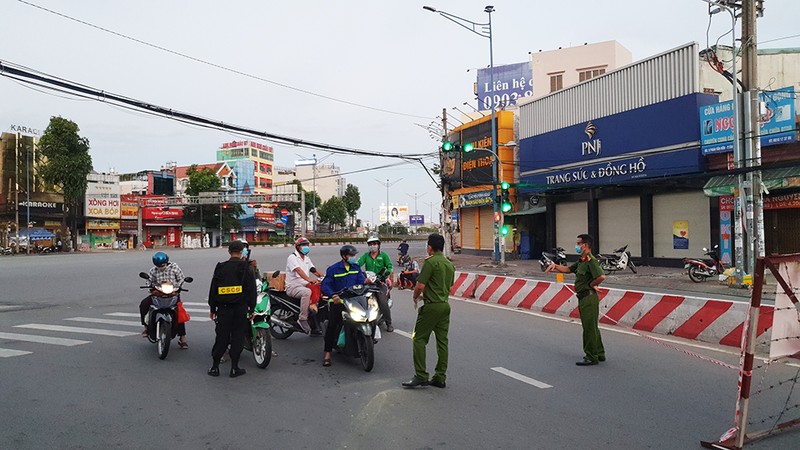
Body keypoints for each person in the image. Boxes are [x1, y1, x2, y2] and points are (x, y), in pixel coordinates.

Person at [545, 233, 606, 366]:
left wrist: (592, 284)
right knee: (592, 327)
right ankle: (599, 353)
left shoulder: (591, 260)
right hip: (584, 298)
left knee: (589, 328)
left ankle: (591, 356)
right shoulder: (582, 261)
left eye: (578, 243)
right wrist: (555, 266)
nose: (577, 246)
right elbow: (567, 269)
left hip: (588, 297)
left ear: (585, 245)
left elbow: (601, 276)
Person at [403, 234, 454, 389]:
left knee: (418, 339)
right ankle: (440, 377)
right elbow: (450, 285)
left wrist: (415, 297)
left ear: (430, 247)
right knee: (442, 342)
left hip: (431, 306)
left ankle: (421, 375)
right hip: (445, 305)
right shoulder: (449, 264)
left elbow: (420, 286)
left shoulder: (430, 263)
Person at [207, 240, 257, 377]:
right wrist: (252, 309)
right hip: (240, 309)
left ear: (229, 252)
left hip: (223, 309)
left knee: (221, 337)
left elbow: (213, 290)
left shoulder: (221, 267)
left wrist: (212, 308)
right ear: (241, 252)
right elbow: (252, 291)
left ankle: (214, 367)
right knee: (237, 338)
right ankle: (234, 368)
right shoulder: (246, 268)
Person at [320, 244, 366, 367]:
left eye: (354, 255)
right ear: (344, 256)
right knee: (332, 325)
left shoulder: (356, 268)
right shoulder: (334, 269)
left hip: (354, 301)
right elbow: (325, 285)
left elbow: (361, 283)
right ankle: (327, 354)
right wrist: (333, 295)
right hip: (338, 302)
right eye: (351, 255)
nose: (353, 258)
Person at [139, 251, 188, 349]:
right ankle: (145, 327)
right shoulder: (153, 271)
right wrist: (151, 289)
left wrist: (178, 288)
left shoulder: (174, 268)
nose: (161, 267)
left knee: (179, 313)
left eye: (163, 265)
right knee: (143, 304)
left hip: (173, 293)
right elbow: (149, 281)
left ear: (167, 262)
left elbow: (181, 279)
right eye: (159, 266)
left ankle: (182, 338)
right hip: (158, 294)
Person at [285, 237, 323, 334]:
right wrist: (309, 280)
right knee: (307, 292)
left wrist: (325, 277)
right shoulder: (292, 257)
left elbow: (313, 270)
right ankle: (302, 318)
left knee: (320, 288)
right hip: (293, 287)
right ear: (298, 247)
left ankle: (314, 317)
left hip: (304, 284)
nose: (306, 247)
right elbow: (298, 270)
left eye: (307, 245)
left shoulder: (306, 258)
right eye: (303, 245)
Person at [357, 236, 394, 332]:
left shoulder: (384, 255)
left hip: (380, 282)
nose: (372, 246)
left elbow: (389, 267)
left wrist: (386, 275)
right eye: (370, 244)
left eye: (374, 244)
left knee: (382, 302)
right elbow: (357, 265)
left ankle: (388, 323)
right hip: (368, 282)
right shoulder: (365, 256)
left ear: (378, 245)